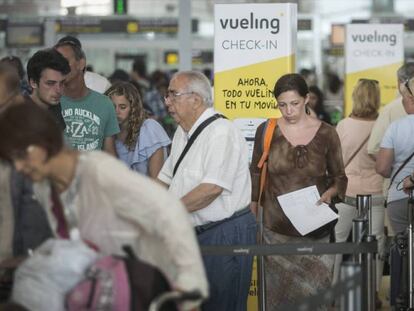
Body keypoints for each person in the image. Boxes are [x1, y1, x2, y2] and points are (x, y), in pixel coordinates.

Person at [0, 103, 208, 309]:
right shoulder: (44, 188)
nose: (18, 167)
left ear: (44, 140)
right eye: (12, 160)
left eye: (21, 155)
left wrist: (189, 286)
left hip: (145, 290)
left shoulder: (99, 171)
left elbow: (169, 210)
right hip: (100, 294)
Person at [157, 70, 256, 311]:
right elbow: (165, 178)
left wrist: (167, 211)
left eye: (173, 95)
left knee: (224, 305)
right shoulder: (182, 132)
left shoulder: (221, 132)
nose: (167, 102)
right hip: (193, 233)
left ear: (196, 99)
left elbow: (211, 189)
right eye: (167, 96)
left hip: (224, 232)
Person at [250, 73, 347, 309]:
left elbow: (339, 177)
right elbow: (255, 175)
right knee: (277, 301)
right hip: (276, 232)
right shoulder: (267, 131)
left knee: (315, 300)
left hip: (316, 231)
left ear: (307, 99)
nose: (288, 111)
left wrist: (330, 193)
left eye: (294, 103)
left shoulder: (326, 133)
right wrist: (254, 217)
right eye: (282, 105)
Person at [334, 79, 384, 305]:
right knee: (375, 244)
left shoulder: (343, 125)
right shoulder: (383, 125)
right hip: (375, 193)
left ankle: (333, 294)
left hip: (346, 193)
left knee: (338, 243)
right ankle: (373, 292)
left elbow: (336, 162)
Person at [0, 64, 52, 271]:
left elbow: (36, 209)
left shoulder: (33, 138)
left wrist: (26, 258)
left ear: (15, 98)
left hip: (20, 263)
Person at [54, 40, 119, 155]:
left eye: (64, 61)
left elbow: (110, 154)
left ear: (81, 64)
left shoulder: (104, 104)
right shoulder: (51, 102)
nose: (59, 67)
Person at [105, 82, 170, 178]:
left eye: (123, 107)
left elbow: (157, 182)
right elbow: (111, 174)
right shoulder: (108, 133)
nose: (116, 112)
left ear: (133, 108)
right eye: (112, 107)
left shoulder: (149, 128)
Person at [376, 76, 414, 234]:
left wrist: (407, 177)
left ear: (411, 98)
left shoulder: (396, 127)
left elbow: (382, 168)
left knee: (403, 248)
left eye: (403, 97)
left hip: (400, 196)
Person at [367, 63, 414, 157]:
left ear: (399, 82)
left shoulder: (390, 110)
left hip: (400, 169)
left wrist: (394, 166)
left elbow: (373, 149)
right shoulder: (391, 109)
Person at [26, 48, 71, 131]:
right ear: (33, 83)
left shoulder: (57, 108)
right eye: (50, 83)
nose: (58, 90)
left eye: (62, 83)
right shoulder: (16, 113)